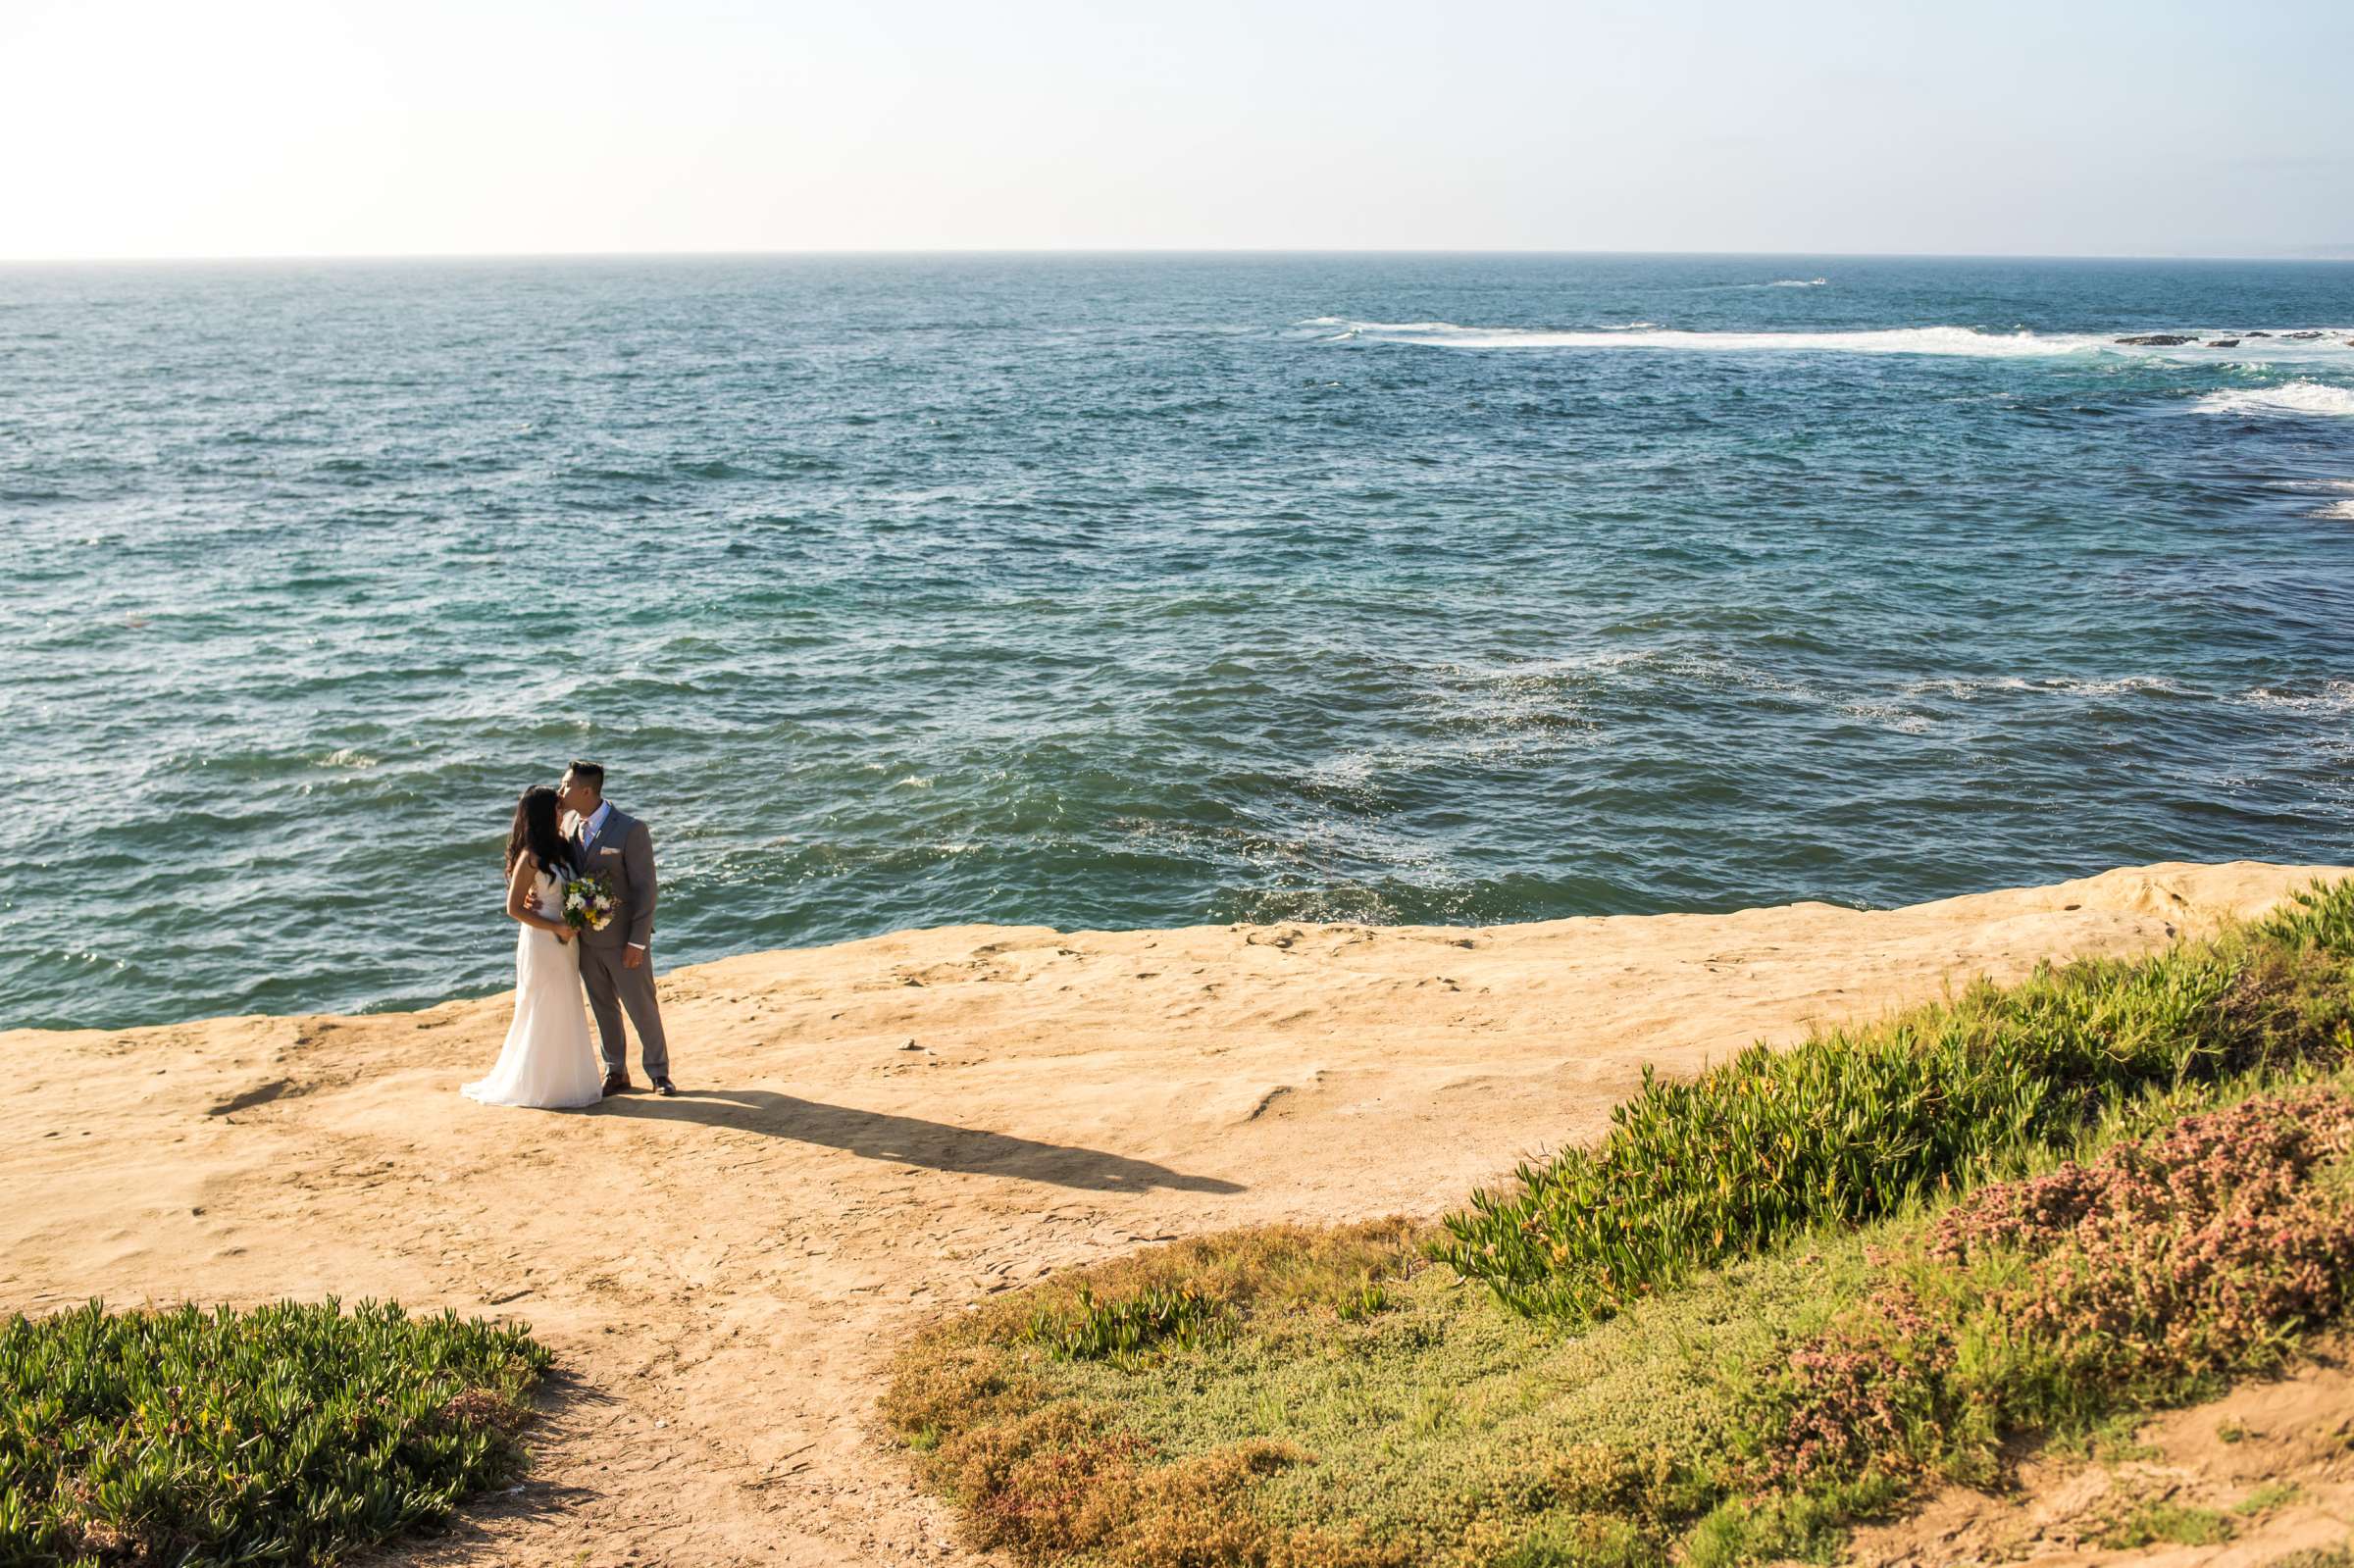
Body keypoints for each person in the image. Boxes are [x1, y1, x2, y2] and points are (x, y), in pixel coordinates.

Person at [462, 786, 606, 1109]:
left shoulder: (562, 847)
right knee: (543, 1006)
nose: (562, 811)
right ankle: (541, 1085)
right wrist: (556, 926)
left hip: (568, 942)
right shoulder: (531, 856)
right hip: (543, 940)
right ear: (544, 814)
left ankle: (569, 1082)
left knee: (566, 1005)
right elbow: (514, 908)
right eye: (557, 807)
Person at [557, 760, 676, 1096]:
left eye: (565, 785)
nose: (560, 790)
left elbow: (645, 888)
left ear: (586, 791)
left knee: (641, 1006)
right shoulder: (567, 826)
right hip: (586, 941)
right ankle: (616, 1071)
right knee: (602, 1006)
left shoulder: (630, 829)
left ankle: (658, 1073)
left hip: (624, 939)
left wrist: (637, 942)